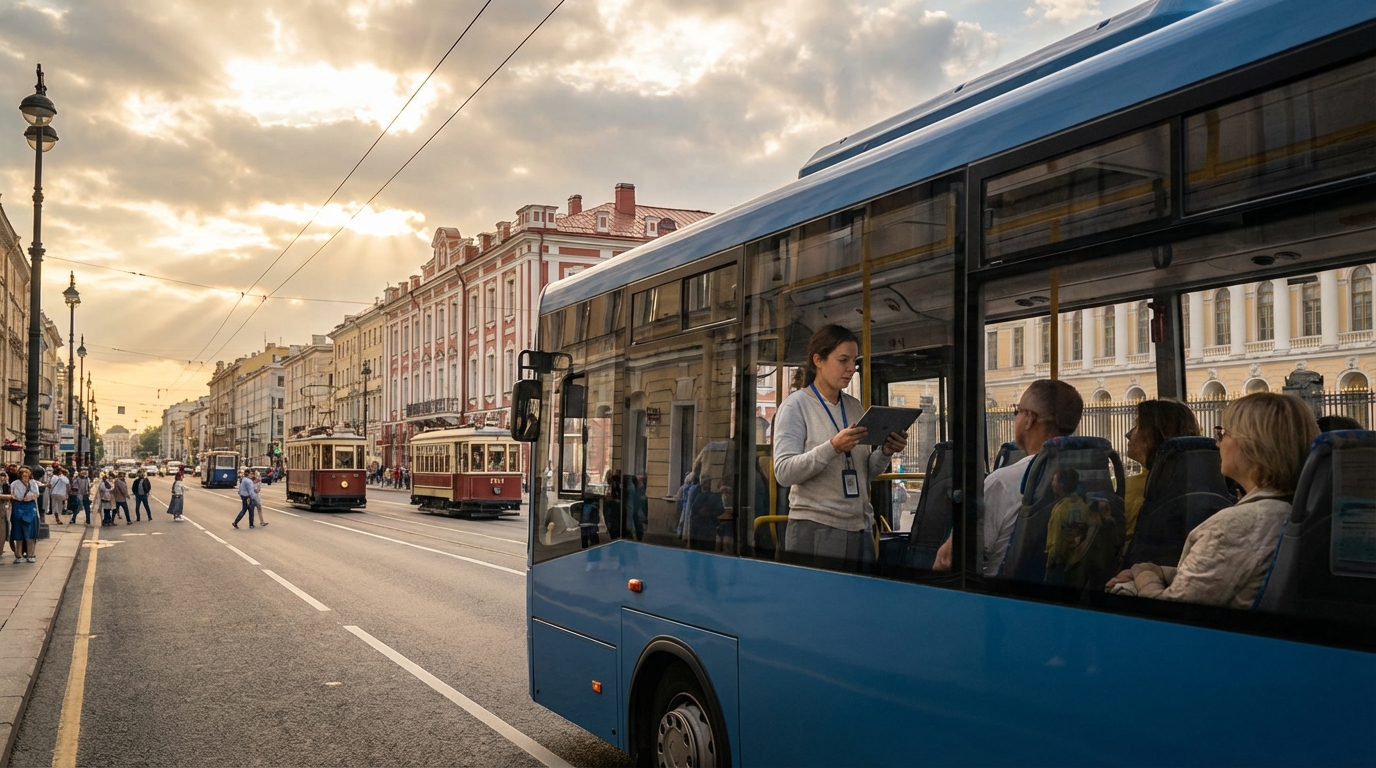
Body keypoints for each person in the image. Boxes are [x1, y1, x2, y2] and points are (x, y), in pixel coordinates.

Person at [1106, 392, 1319, 609]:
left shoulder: (1235, 525)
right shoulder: (1297, 508)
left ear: (1252, 446)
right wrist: (1156, 570)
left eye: (1223, 434)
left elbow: (1173, 610)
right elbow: (1218, 575)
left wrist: (1143, 576)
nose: (1218, 444)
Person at [773, 324, 908, 567]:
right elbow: (784, 473)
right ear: (818, 360)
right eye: (843, 360)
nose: (851, 368)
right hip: (816, 525)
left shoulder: (854, 406)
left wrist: (886, 451)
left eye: (854, 361)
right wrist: (833, 447)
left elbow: (864, 473)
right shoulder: (796, 406)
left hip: (860, 525)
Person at [932, 378, 1083, 573]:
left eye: (1017, 411)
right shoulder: (1084, 476)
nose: (1016, 419)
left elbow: (948, 561)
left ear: (1029, 419)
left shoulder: (1003, 482)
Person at [1123, 399, 1200, 540]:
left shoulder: (1134, 489)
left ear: (1153, 436)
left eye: (1137, 426)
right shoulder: (1198, 481)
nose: (1128, 434)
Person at [9, 467, 41, 563]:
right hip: (18, 507)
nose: (25, 478)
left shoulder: (33, 483)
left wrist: (30, 497)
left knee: (30, 532)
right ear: (20, 475)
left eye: (27, 476)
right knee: (18, 532)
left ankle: (30, 554)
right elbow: (12, 495)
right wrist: (16, 497)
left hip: (30, 507)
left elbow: (36, 494)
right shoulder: (14, 483)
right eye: (23, 476)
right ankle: (18, 555)